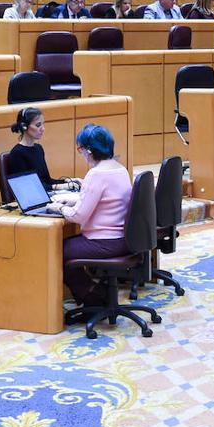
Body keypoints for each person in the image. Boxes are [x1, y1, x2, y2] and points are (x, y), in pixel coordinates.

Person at [51, 124, 133, 307]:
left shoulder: (96, 174)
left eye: (80, 150)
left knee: (52, 250)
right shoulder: (120, 169)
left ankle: (92, 297)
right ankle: (93, 293)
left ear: (88, 150)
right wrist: (71, 202)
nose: (81, 154)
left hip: (104, 242)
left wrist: (59, 209)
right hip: (123, 239)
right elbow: (103, 201)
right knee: (65, 245)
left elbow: (79, 216)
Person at [8, 107, 54, 191]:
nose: (43, 129)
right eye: (38, 125)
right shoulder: (17, 153)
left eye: (43, 124)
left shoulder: (39, 148)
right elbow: (27, 188)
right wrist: (56, 187)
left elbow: (47, 181)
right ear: (24, 127)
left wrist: (69, 182)